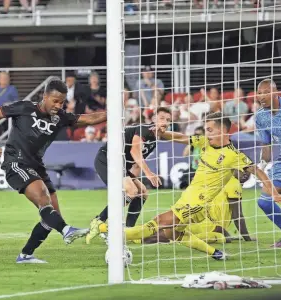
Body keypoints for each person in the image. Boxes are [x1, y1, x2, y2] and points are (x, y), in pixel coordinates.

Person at [92, 113, 281, 259]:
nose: (207, 134)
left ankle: (104, 230)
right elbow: (181, 137)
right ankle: (215, 253)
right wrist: (162, 132)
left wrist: (273, 192)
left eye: (210, 130)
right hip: (187, 198)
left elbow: (258, 171)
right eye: (206, 130)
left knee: (158, 223)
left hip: (197, 203)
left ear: (224, 131)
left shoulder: (234, 155)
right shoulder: (206, 143)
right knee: (175, 234)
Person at [0, 77, 107, 263]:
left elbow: (89, 119)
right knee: (44, 199)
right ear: (45, 96)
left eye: (62, 102)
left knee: (51, 218)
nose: (58, 105)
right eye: (55, 100)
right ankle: (67, 230)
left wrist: (114, 113)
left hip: (37, 166)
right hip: (15, 162)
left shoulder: (60, 118)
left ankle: (25, 255)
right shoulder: (25, 108)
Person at [85, 107, 172, 244]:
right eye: (162, 118)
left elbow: (136, 164)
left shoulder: (153, 141)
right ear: (154, 119)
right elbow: (134, 151)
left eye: (168, 120)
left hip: (121, 164)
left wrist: (134, 180)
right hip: (107, 159)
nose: (165, 122)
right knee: (131, 191)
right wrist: (149, 174)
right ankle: (98, 221)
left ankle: (128, 231)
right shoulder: (145, 129)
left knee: (142, 192)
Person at [136, 172, 253, 245]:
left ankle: (135, 236)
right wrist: (247, 238)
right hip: (209, 224)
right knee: (222, 238)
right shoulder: (234, 184)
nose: (246, 173)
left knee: (169, 229)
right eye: (242, 169)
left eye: (249, 170)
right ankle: (140, 238)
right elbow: (237, 215)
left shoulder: (221, 178)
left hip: (201, 218)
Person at [255, 79, 281, 248]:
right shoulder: (260, 116)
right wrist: (262, 165)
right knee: (264, 201)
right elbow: (266, 145)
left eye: (265, 92)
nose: (261, 96)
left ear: (275, 92)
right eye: (259, 93)